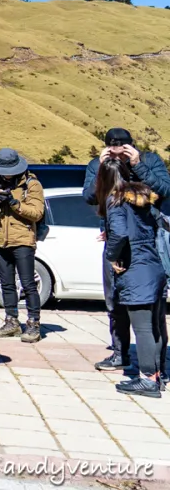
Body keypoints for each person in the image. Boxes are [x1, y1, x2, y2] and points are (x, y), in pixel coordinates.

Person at [84, 128, 170, 372]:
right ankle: (120, 353)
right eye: (114, 149)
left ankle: (157, 365)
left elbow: (166, 190)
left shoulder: (150, 160)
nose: (118, 153)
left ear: (132, 146)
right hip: (115, 239)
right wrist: (101, 169)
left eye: (123, 149)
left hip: (149, 239)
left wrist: (138, 164)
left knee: (152, 305)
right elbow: (90, 197)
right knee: (115, 302)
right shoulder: (99, 163)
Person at [94, 156, 167, 397]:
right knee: (155, 326)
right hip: (153, 267)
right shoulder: (141, 197)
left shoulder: (114, 200)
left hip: (136, 271)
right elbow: (153, 226)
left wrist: (112, 257)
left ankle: (147, 380)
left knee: (143, 329)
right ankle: (157, 376)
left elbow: (122, 233)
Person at [0, 148, 45, 343]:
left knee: (28, 284)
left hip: (23, 240)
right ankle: (11, 321)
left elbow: (36, 213)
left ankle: (33, 324)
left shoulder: (32, 184)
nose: (6, 174)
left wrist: (14, 203)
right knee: (6, 284)